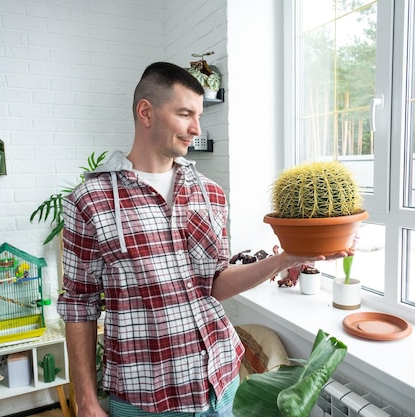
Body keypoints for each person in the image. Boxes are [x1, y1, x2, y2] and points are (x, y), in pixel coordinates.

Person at [57, 61, 354, 417]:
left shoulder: (209, 193)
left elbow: (215, 284)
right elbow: (79, 304)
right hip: (146, 400)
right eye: (185, 114)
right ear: (146, 112)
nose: (196, 128)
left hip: (220, 382)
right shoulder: (90, 200)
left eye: (199, 116)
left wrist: (285, 258)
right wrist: (87, 400)